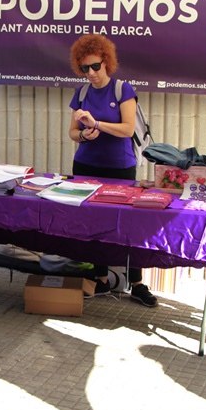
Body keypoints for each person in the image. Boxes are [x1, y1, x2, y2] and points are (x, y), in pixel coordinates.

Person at [68, 33, 157, 307]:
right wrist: (84, 135)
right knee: (94, 223)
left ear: (107, 62)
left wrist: (97, 124)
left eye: (96, 66)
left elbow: (128, 129)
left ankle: (137, 282)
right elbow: (72, 132)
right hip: (86, 164)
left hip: (119, 167)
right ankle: (101, 277)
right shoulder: (81, 93)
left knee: (128, 224)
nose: (91, 73)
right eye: (85, 68)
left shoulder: (122, 90)